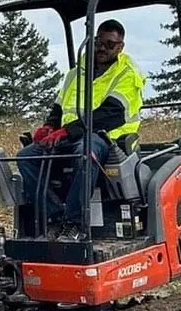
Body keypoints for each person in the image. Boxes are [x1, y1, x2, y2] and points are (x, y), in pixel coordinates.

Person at [16, 19, 145, 241]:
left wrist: (68, 131)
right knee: (26, 157)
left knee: (86, 153)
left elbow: (109, 114)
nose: (102, 48)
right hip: (70, 135)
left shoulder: (127, 74)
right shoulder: (76, 74)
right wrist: (49, 126)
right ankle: (55, 218)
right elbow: (59, 106)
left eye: (109, 44)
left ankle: (76, 224)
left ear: (120, 47)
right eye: (98, 42)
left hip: (105, 139)